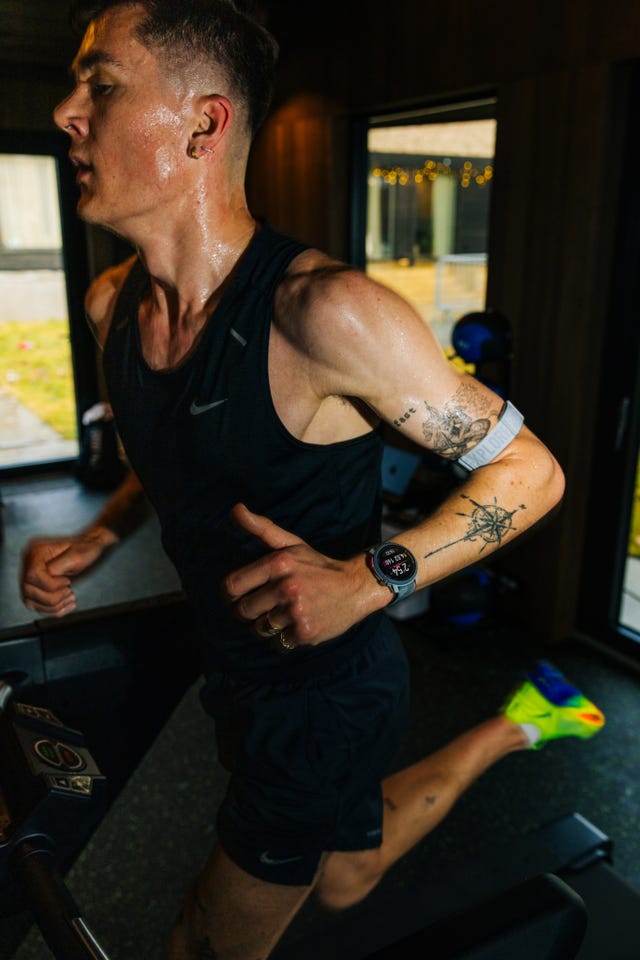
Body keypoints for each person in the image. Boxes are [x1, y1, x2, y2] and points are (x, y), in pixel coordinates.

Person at [19, 2, 605, 957]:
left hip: (323, 696)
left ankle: (516, 725)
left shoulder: (324, 315)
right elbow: (177, 457)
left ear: (204, 124)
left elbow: (532, 471)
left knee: (203, 944)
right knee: (344, 876)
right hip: (236, 669)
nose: (65, 112)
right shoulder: (112, 308)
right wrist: (103, 534)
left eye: (103, 85)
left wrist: (374, 578)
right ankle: (521, 726)